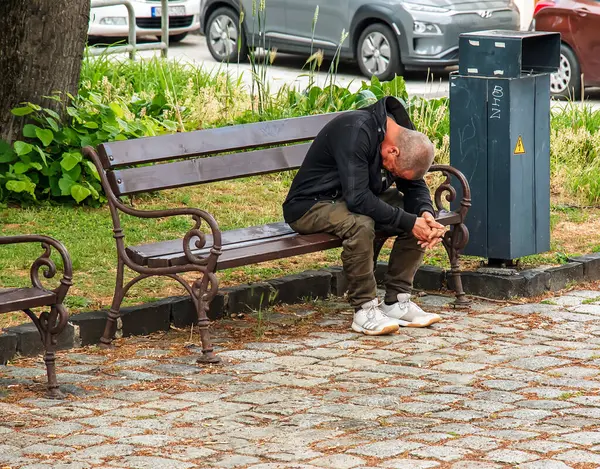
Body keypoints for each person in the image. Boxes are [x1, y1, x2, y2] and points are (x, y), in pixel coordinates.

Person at [283, 96, 446, 336]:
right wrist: (410, 223)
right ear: (393, 150)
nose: (391, 172)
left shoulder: (402, 135)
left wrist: (425, 215)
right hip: (310, 204)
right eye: (393, 169)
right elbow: (357, 199)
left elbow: (414, 185)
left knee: (412, 214)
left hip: (350, 197)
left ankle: (396, 302)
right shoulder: (356, 131)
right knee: (360, 224)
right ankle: (364, 309)